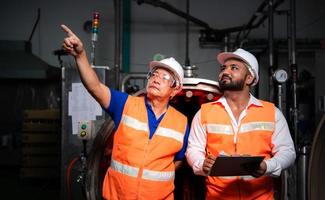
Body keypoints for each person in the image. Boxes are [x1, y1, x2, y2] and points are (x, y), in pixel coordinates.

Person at [61, 24, 189, 200]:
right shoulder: (125, 104)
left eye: (165, 77)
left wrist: (153, 176)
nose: (157, 79)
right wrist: (80, 55)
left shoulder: (181, 122)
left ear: (175, 90)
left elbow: (179, 160)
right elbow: (95, 87)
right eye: (154, 74)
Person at [185, 48, 296, 199]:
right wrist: (201, 163)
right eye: (223, 68)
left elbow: (288, 152)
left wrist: (266, 166)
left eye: (234, 68)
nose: (225, 71)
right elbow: (193, 149)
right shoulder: (204, 112)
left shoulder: (271, 112)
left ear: (249, 78)